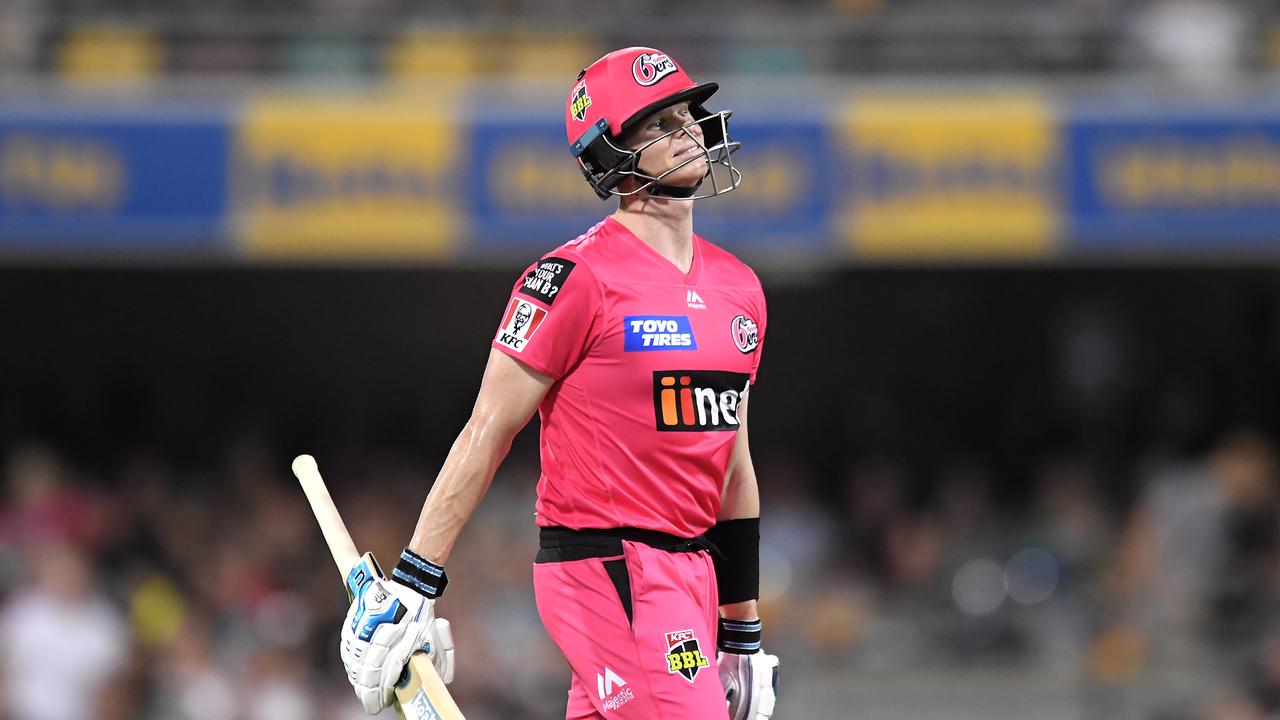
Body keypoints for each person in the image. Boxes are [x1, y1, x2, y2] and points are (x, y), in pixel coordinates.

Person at [337, 46, 779, 719]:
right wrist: (415, 584)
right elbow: (489, 428)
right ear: (610, 156)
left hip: (692, 574)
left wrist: (742, 633)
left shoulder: (740, 288)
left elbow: (733, 468)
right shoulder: (571, 280)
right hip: (608, 565)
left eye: (688, 114)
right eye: (660, 125)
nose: (689, 132)